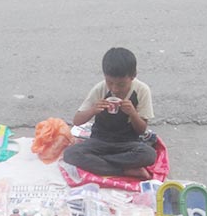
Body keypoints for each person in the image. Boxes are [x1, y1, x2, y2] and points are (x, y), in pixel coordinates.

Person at [62, 47, 157, 179]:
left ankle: (101, 163)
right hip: (100, 140)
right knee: (70, 154)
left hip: (127, 143)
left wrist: (133, 113)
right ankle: (124, 170)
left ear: (133, 76)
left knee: (149, 154)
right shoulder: (100, 88)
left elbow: (141, 130)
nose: (115, 89)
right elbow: (77, 121)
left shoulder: (141, 90)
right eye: (110, 82)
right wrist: (93, 110)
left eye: (121, 84)